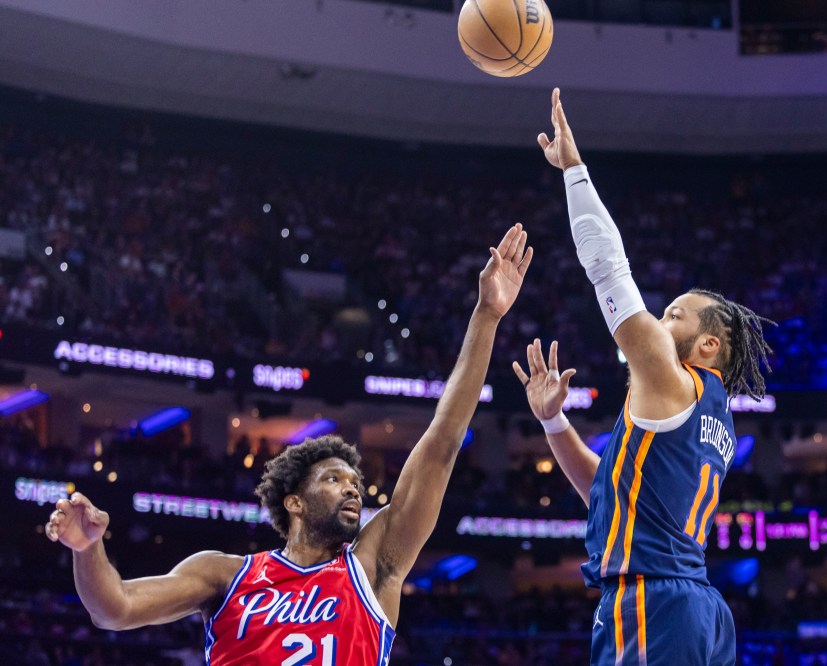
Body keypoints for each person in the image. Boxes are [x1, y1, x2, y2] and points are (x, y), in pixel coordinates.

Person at [45, 224, 534, 666]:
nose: (353, 490)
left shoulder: (374, 566)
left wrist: (486, 316)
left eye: (355, 482)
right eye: (334, 478)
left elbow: (443, 442)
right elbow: (116, 609)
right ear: (294, 501)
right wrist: (87, 549)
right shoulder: (224, 575)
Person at [512, 89, 773, 666]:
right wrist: (553, 420)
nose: (658, 319)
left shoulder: (675, 379)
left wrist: (574, 171)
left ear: (708, 345)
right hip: (696, 607)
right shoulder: (708, 414)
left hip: (653, 600)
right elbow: (608, 492)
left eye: (674, 314)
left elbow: (607, 266)